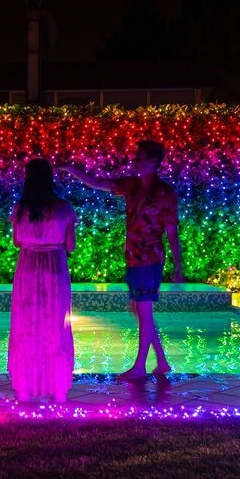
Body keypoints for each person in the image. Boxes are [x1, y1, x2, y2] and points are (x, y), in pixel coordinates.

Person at [61, 139, 183, 379]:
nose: (135, 161)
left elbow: (171, 231)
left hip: (149, 259)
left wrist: (178, 265)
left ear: (154, 162)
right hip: (133, 258)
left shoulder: (164, 193)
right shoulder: (132, 185)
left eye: (140, 157)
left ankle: (140, 367)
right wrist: (71, 169)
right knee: (139, 311)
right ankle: (161, 361)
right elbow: (98, 182)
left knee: (144, 311)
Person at [8, 158, 76, 402]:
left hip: (28, 266)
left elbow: (17, 242)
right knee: (55, 326)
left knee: (26, 325)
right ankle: (58, 391)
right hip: (55, 266)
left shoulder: (20, 209)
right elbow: (70, 245)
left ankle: (25, 390)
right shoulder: (64, 208)